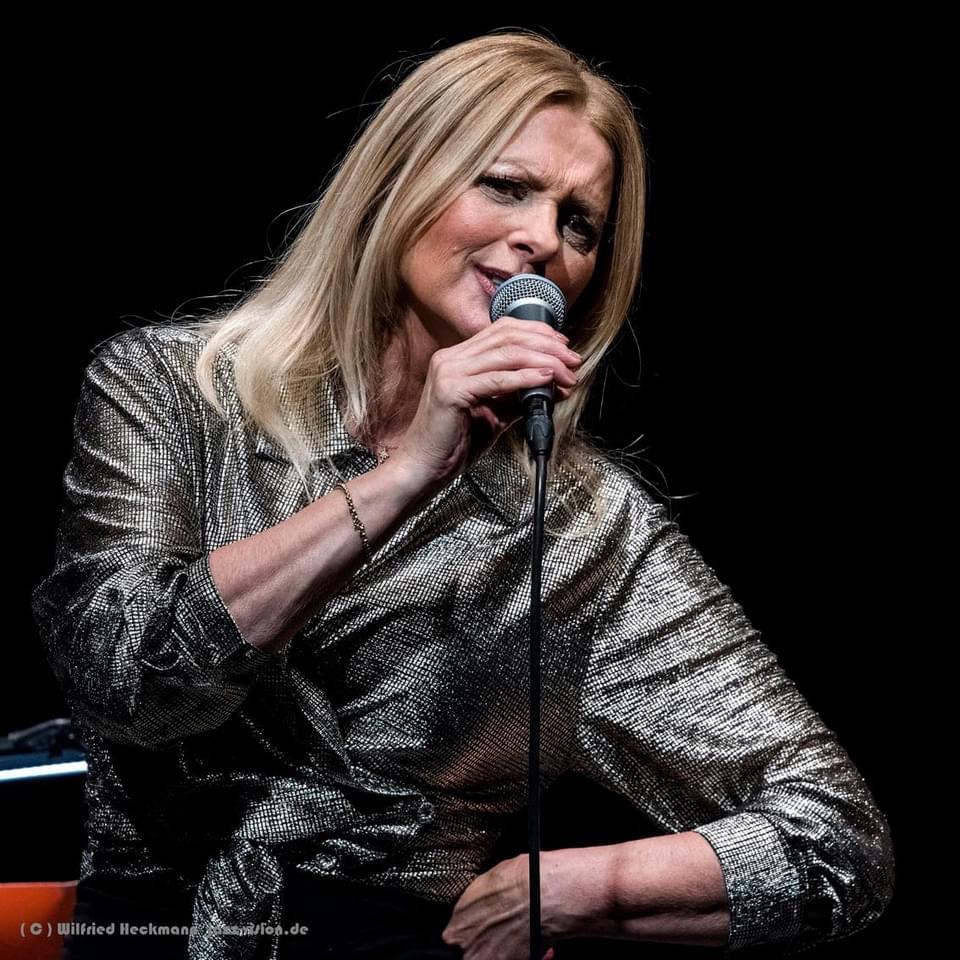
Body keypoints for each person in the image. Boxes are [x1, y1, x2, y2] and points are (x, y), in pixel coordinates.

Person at [31, 29, 894, 960]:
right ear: (399, 178)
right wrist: (405, 476)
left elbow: (839, 841)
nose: (543, 239)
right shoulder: (174, 391)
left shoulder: (583, 532)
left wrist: (570, 889)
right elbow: (127, 683)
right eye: (507, 185)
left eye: (579, 224)